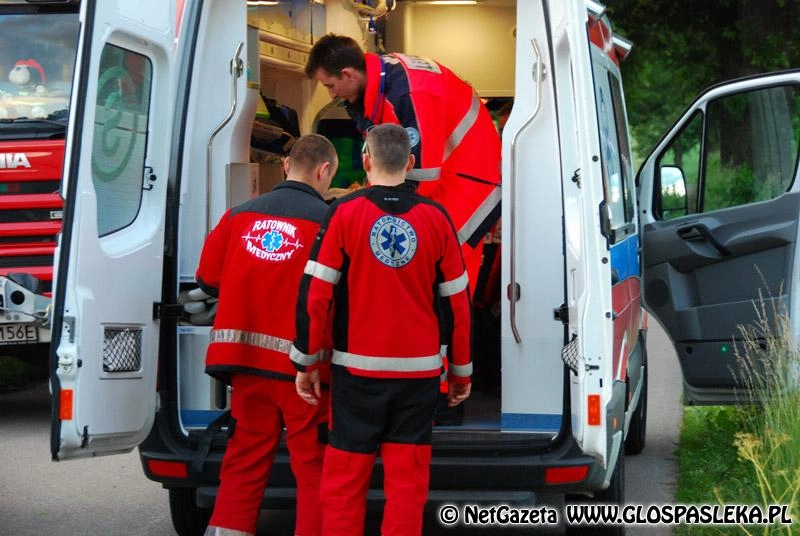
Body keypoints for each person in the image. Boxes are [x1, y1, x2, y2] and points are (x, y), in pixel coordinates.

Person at [291, 124, 472, 536]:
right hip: (419, 378)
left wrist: (306, 362)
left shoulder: (344, 212)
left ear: (366, 161)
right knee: (407, 487)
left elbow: (316, 295)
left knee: (343, 484)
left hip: (357, 376)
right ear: (411, 163)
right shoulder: (436, 218)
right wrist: (461, 371)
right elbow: (458, 304)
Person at [196, 134, 338, 536]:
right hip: (302, 369)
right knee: (312, 464)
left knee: (244, 456)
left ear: (287, 165)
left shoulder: (238, 215)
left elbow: (208, 277)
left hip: (244, 363)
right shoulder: (330, 223)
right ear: (324, 171)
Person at [304, 34, 501, 295]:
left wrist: (377, 210)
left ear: (348, 74)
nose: (331, 94)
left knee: (447, 271)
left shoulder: (410, 93)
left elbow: (421, 174)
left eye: (330, 85)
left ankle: (446, 322)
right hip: (453, 174)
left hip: (472, 183)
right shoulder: (383, 84)